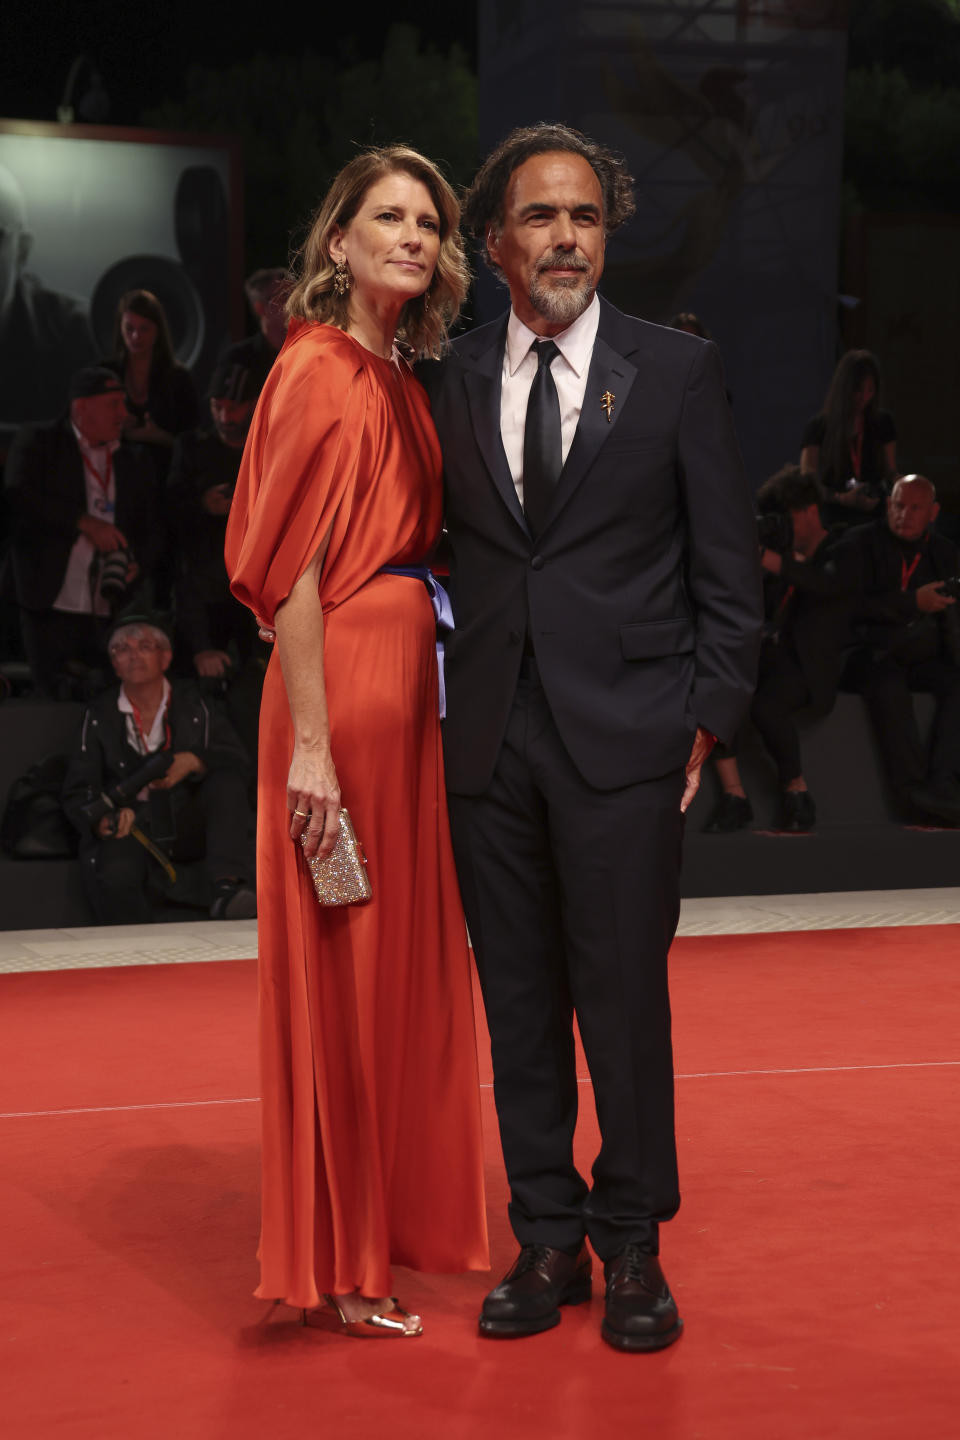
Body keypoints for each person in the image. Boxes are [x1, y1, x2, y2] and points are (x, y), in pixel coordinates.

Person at [418, 123, 762, 1352]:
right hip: (490, 746)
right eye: (542, 218)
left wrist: (707, 719)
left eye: (587, 219)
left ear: (604, 237)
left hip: (629, 743)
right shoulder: (445, 377)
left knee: (622, 1008)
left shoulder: (672, 370)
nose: (567, 238)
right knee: (518, 1005)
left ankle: (631, 1249)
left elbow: (730, 566)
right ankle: (546, 1237)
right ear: (497, 241)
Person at [225, 146, 488, 1336]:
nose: (412, 236)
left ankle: (378, 1231)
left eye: (427, 221)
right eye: (387, 217)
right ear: (337, 243)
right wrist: (314, 748)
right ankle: (343, 1263)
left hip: (404, 698)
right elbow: (293, 576)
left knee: (390, 972)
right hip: (338, 698)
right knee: (342, 968)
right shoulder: (319, 368)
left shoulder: (398, 373)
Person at [62, 617, 256, 923]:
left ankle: (228, 889)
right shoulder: (99, 713)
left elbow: (239, 761)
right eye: (122, 649)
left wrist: (194, 761)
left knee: (226, 783)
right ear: (114, 664)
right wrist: (103, 819)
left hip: (189, 816)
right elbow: (79, 785)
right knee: (115, 875)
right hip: (134, 820)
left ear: (165, 657)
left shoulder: (197, 703)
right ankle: (135, 953)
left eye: (145, 646)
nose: (134, 654)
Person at [704, 466, 849, 834]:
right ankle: (734, 797)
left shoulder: (845, 547)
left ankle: (797, 791)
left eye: (786, 519)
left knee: (767, 706)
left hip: (810, 670)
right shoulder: (777, 560)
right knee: (719, 686)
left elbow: (828, 585)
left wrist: (769, 559)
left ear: (810, 511)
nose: (780, 527)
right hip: (769, 657)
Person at [5, 365, 162, 698]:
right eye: (113, 405)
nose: (123, 414)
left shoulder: (134, 459)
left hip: (107, 609)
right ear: (81, 408)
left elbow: (156, 527)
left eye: (123, 404)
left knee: (105, 703)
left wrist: (139, 564)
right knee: (50, 707)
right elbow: (18, 496)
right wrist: (84, 522)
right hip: (47, 603)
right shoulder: (40, 442)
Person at [836, 474, 960, 824]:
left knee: (957, 680)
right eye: (899, 505)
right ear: (889, 505)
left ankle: (943, 784)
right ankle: (913, 795)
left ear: (933, 513)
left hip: (918, 651)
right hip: (865, 652)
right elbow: (848, 605)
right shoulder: (857, 544)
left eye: (915, 508)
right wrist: (912, 603)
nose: (905, 514)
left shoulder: (944, 552)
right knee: (888, 686)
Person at [168, 358, 259, 682]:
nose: (225, 417)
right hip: (202, 584)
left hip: (256, 585)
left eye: (233, 408)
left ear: (252, 405)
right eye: (217, 407)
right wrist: (203, 504)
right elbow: (168, 510)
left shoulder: (267, 446)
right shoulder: (192, 447)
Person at [800, 350, 897, 530]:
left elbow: (890, 472)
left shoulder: (882, 423)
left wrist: (905, 485)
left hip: (875, 515)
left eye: (870, 391)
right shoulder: (819, 427)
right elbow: (809, 482)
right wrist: (841, 498)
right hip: (835, 518)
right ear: (845, 388)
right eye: (858, 390)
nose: (864, 397)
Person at [105, 288, 198, 452]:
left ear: (158, 330)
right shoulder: (106, 374)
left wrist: (159, 437)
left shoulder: (179, 379)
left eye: (144, 329)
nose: (135, 336)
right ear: (120, 327)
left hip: (166, 471)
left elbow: (194, 445)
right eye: (129, 328)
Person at [217, 267, 289, 399]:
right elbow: (225, 412)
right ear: (260, 308)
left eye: (296, 296)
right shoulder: (238, 360)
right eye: (284, 296)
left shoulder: (309, 351)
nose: (293, 303)